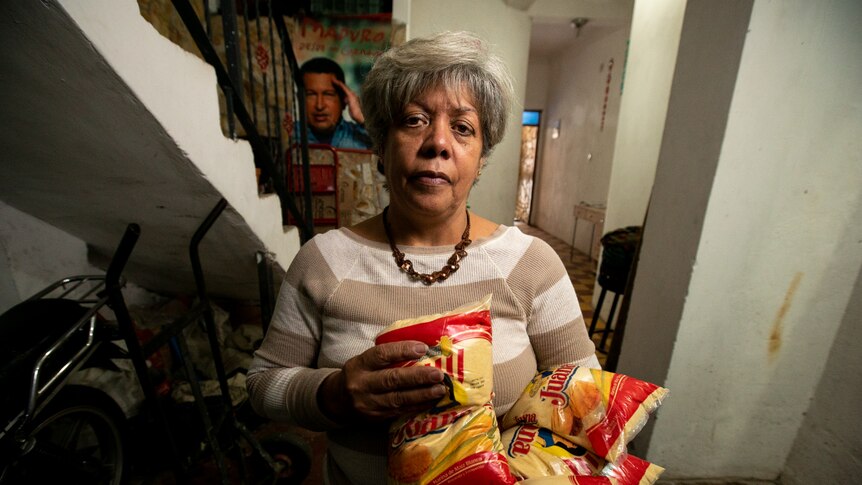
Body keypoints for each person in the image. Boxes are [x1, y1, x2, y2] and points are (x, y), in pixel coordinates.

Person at [248, 31, 599, 484]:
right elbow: (261, 385)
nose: (437, 142)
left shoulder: (530, 264)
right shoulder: (324, 263)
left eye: (463, 127)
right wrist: (333, 395)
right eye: (413, 120)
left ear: (481, 156)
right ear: (381, 142)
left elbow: (585, 400)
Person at [298, 57, 372, 149]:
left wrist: (361, 117)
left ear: (344, 100)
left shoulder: (363, 137)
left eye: (328, 94)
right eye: (311, 94)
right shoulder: (289, 136)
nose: (319, 106)